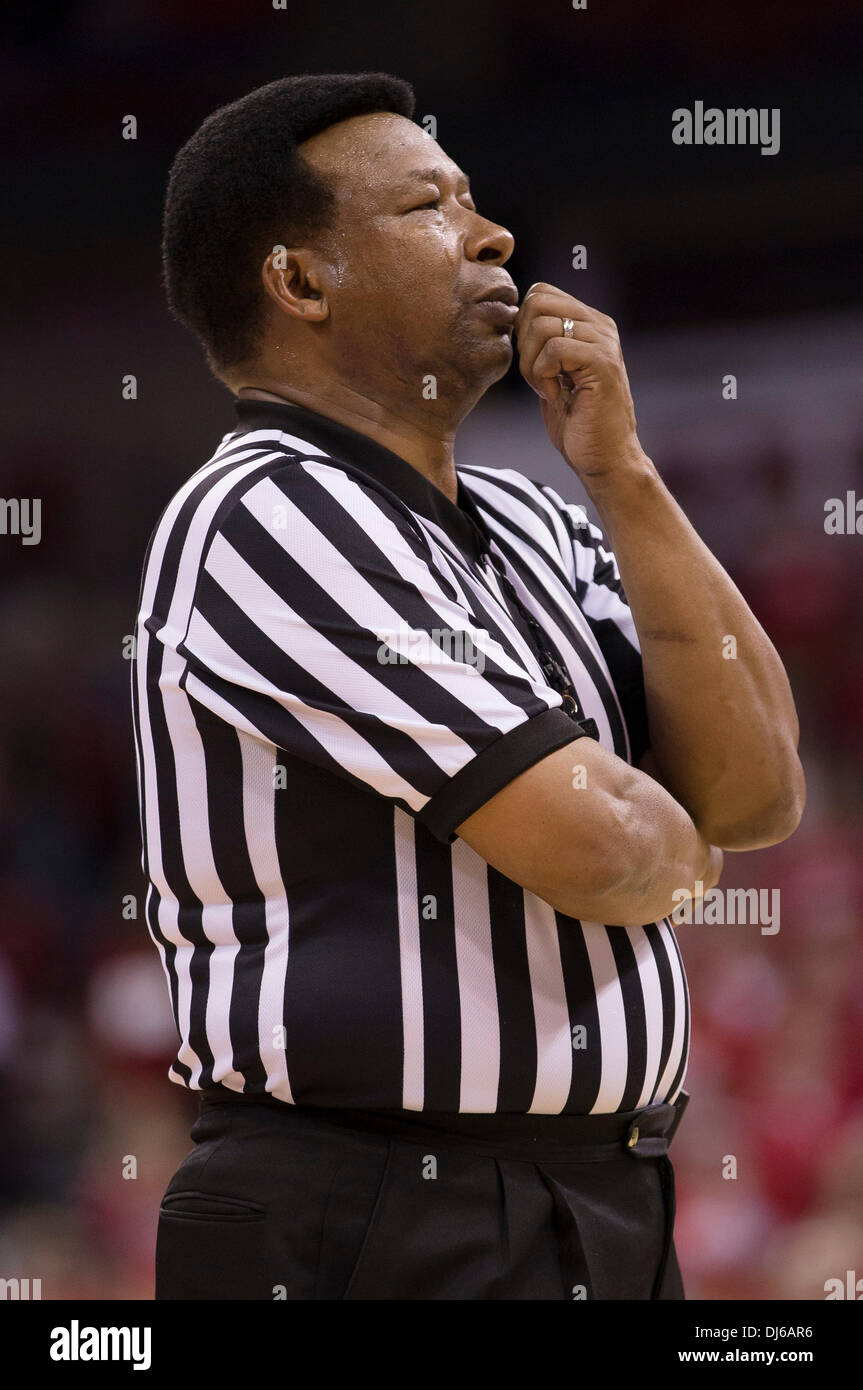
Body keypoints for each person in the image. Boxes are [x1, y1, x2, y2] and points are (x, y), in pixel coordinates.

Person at [132, 72, 805, 1300]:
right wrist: (676, 843)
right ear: (299, 281)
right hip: (368, 1213)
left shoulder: (535, 517)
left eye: (476, 199)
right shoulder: (265, 510)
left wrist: (622, 472)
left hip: (604, 1193)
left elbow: (756, 790)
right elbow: (602, 849)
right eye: (428, 206)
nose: (493, 234)